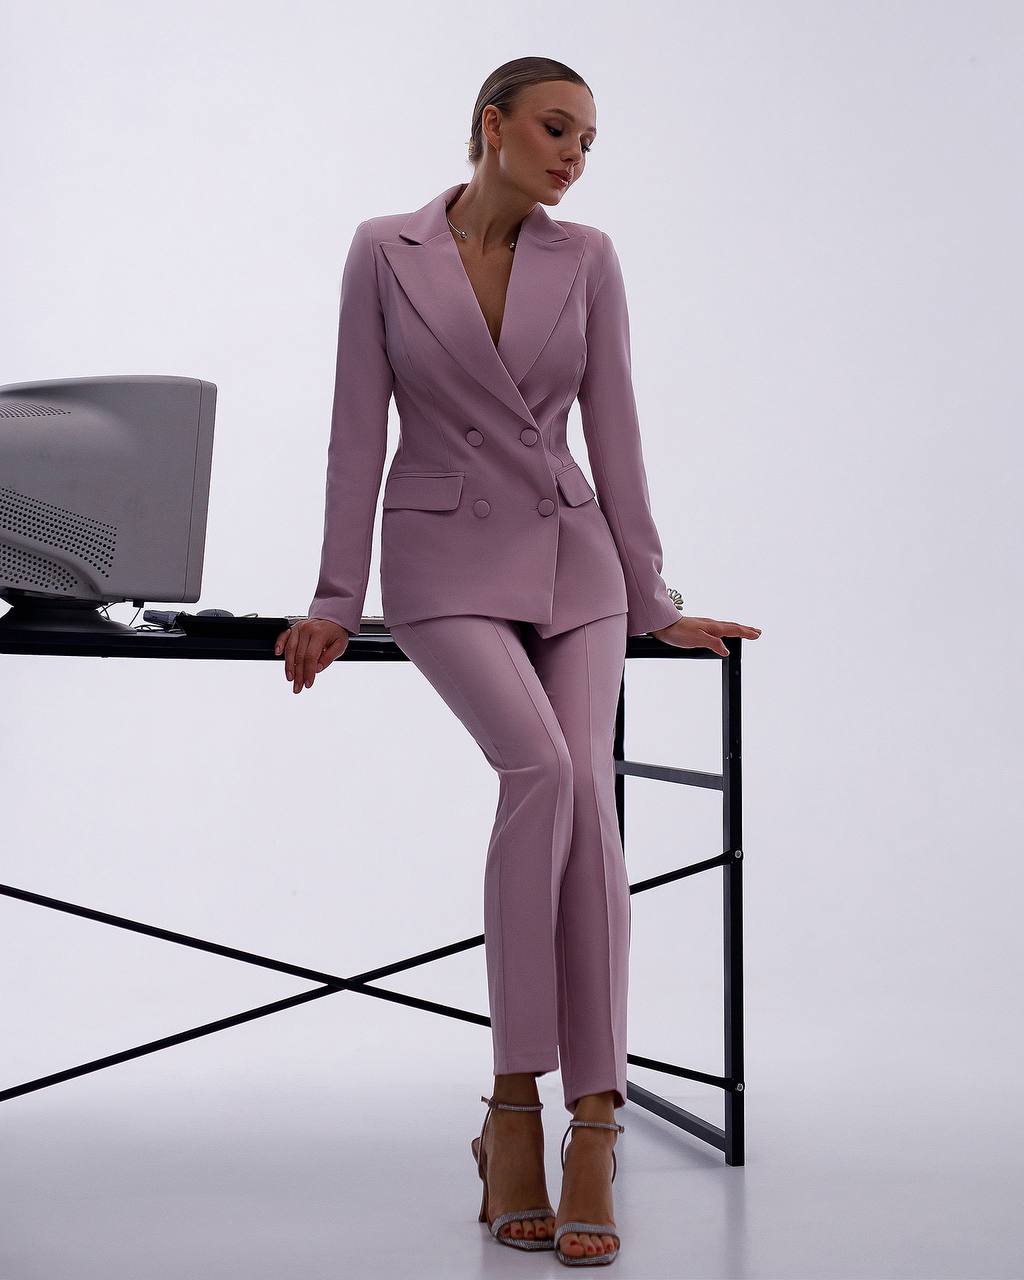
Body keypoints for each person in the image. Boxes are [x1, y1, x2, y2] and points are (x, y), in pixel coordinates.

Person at [275, 56, 761, 1267]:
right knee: (542, 770)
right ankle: (511, 1102)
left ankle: (590, 1117)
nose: (574, 157)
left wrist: (654, 597)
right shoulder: (382, 248)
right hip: (439, 560)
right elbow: (354, 425)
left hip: (575, 559)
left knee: (588, 798)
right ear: (490, 126)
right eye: (556, 130)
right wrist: (337, 596)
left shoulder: (584, 256)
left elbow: (618, 429)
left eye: (589, 142)